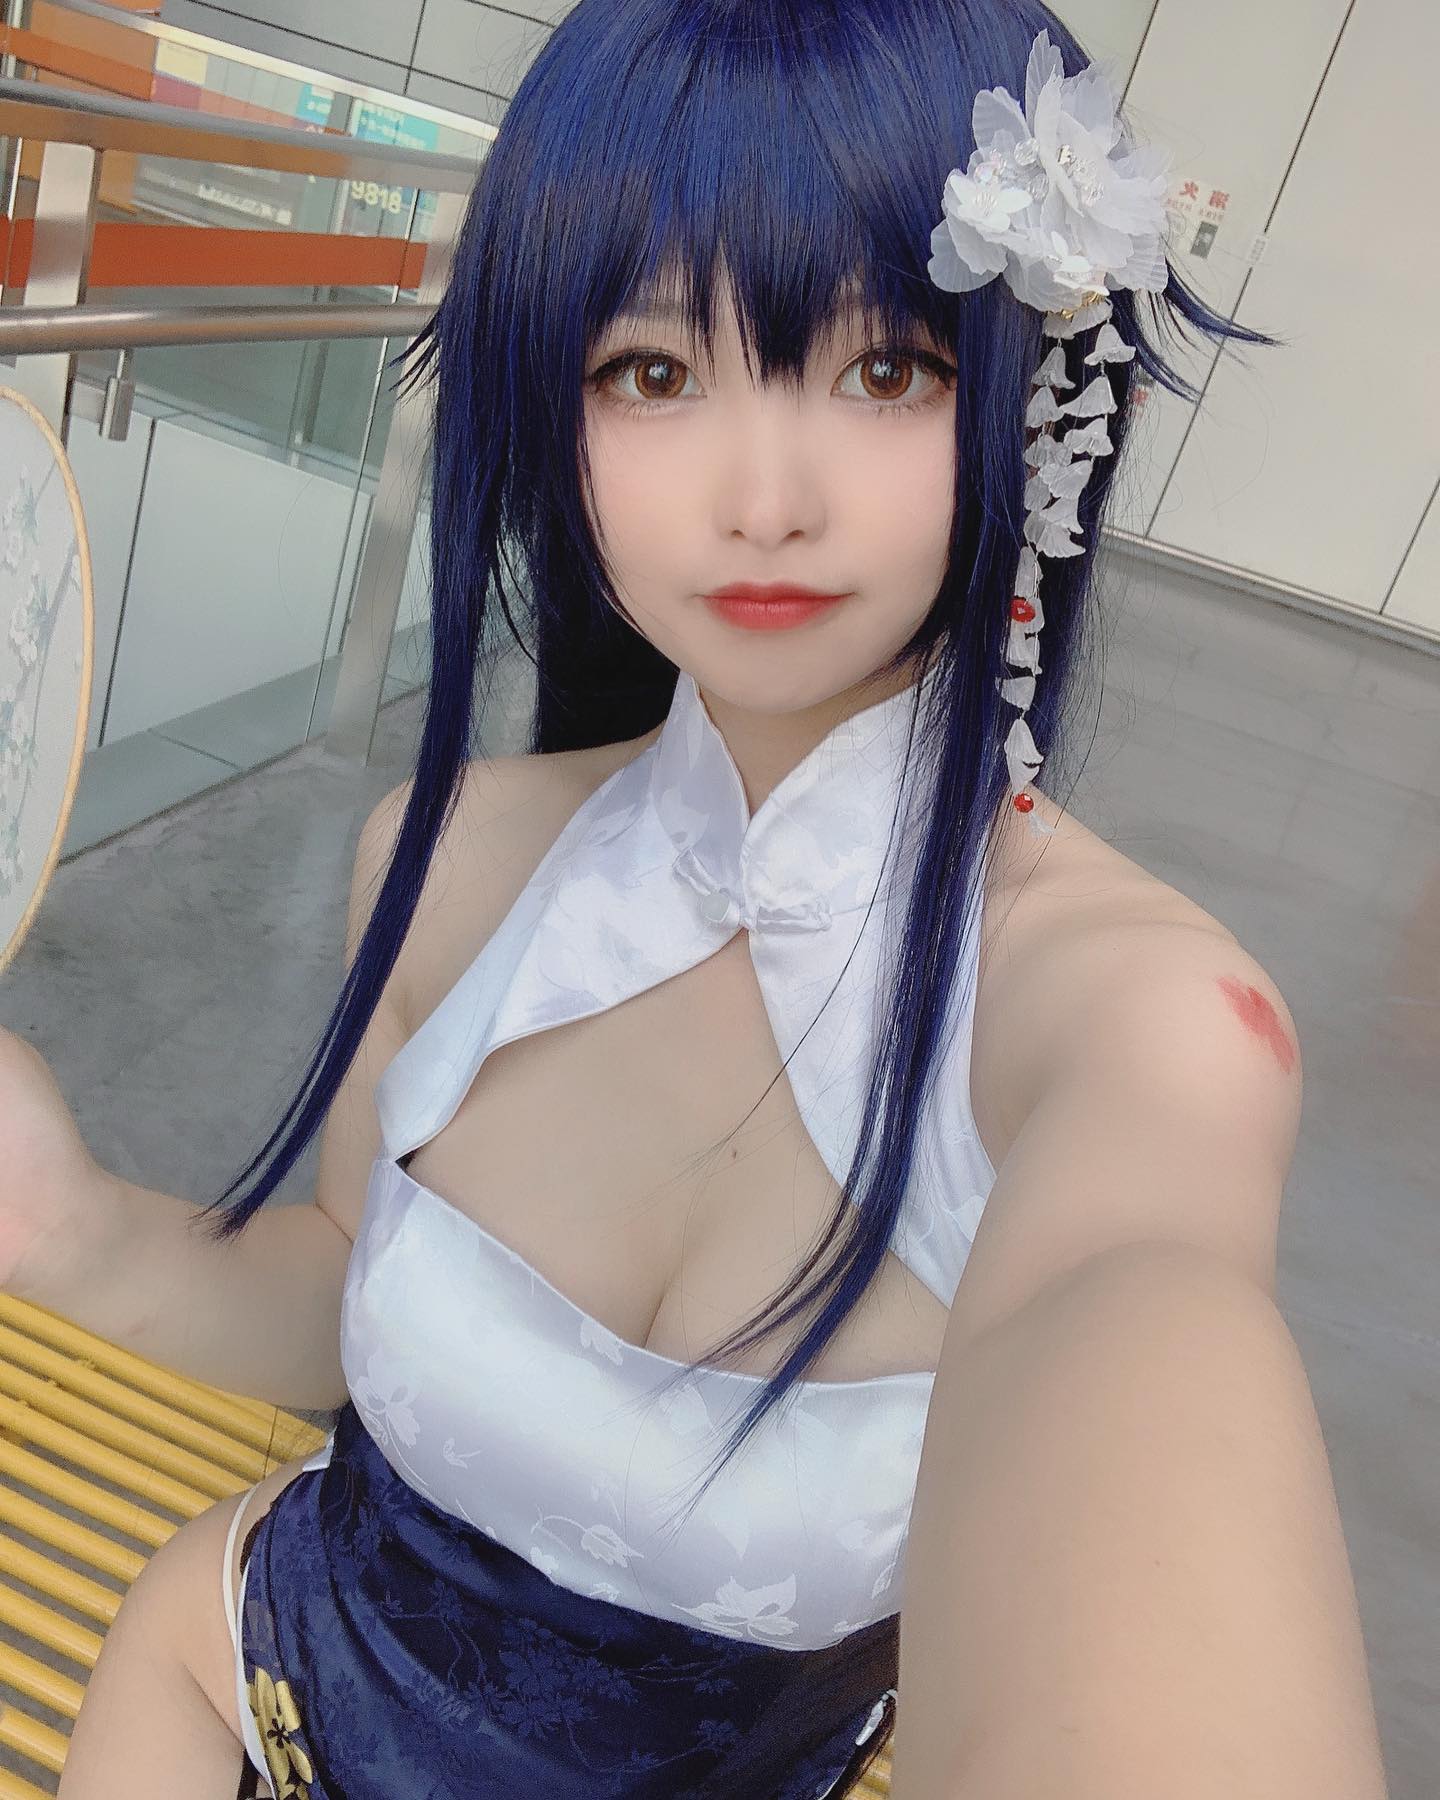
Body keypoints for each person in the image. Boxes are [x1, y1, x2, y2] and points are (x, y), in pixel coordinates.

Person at [2, 4, 1389, 1797]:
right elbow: (343, 1294)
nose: (765, 501)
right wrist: (73, 1229)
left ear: (1035, 388)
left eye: (886, 370)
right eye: (654, 372)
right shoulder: (452, 855)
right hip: (229, 1687)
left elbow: (1151, 1391)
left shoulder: (1138, 1034)